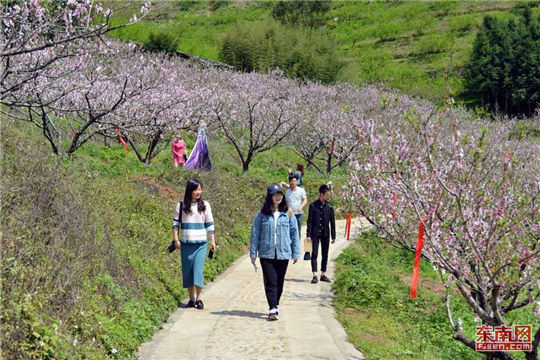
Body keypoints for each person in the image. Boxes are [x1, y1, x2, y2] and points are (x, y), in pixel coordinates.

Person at [250, 184, 300, 321]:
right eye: (274, 194)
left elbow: (294, 233)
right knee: (270, 281)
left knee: (279, 282)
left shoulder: (288, 213)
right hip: (267, 253)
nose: (278, 197)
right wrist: (253, 253)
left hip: (283, 253)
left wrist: (296, 252)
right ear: (270, 197)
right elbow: (255, 233)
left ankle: (275, 304)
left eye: (280, 194)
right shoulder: (262, 214)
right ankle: (272, 308)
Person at [172, 179, 216, 309]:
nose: (198, 192)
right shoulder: (181, 206)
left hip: (201, 244)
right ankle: (191, 299)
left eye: (200, 189)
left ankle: (199, 298)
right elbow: (175, 224)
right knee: (188, 272)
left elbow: (210, 224)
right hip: (186, 244)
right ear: (189, 191)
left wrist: (212, 240)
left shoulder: (205, 205)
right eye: (196, 189)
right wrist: (176, 240)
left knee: (197, 271)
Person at [306, 184, 336, 284]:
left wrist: (333, 235)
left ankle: (323, 273)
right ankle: (314, 274)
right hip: (315, 233)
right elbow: (309, 221)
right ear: (321, 194)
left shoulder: (330, 206)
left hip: (325, 233)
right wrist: (308, 234)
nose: (328, 197)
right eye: (327, 195)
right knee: (314, 253)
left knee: (325, 253)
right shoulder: (313, 206)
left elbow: (332, 221)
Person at [284, 173, 307, 240]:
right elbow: (286, 202)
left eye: (294, 181)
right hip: (290, 214)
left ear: (297, 181)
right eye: (291, 181)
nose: (293, 183)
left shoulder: (301, 190)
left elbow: (305, 200)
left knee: (298, 229)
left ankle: (297, 244)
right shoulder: (287, 192)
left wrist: (301, 207)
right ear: (289, 182)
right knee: (290, 229)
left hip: (298, 214)